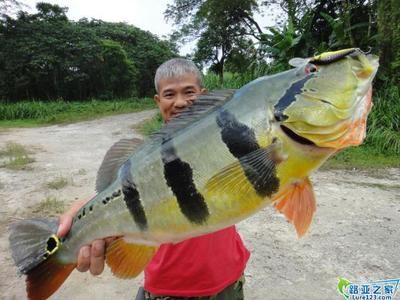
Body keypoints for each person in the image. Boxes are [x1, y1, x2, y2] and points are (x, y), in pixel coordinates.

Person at [58, 58, 250, 300]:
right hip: (167, 289)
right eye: (170, 94)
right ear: (158, 101)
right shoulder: (142, 155)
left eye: (189, 92)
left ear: (204, 95)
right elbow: (120, 195)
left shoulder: (228, 139)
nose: (180, 102)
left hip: (228, 281)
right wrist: (84, 217)